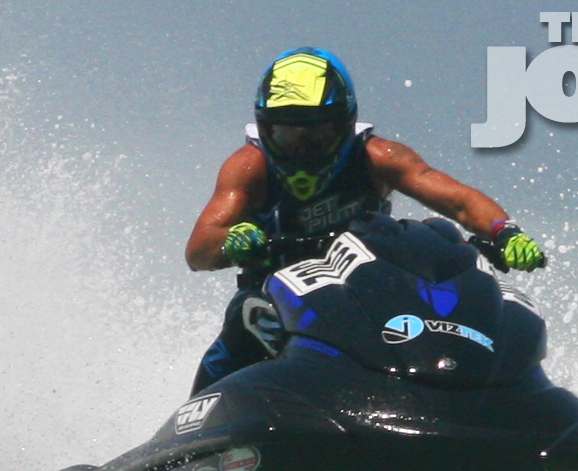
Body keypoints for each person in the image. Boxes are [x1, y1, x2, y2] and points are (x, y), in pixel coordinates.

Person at [184, 47, 547, 396]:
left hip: (363, 296)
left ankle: (480, 393)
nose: (302, 148)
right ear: (265, 129)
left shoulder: (378, 157)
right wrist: (233, 240)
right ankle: (198, 420)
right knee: (245, 318)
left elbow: (459, 201)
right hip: (278, 298)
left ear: (344, 125)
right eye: (286, 134)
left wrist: (504, 232)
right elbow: (198, 250)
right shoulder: (249, 167)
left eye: (317, 134)